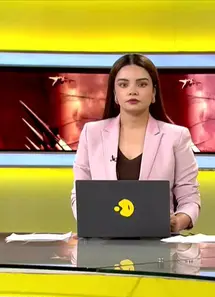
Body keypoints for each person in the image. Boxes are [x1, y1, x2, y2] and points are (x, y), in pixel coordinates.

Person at [70, 54, 201, 232]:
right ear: (115, 94)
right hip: (102, 241)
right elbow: (79, 196)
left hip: (158, 242)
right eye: (124, 85)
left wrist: (177, 222)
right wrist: (94, 221)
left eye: (142, 84)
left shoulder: (176, 136)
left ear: (153, 93)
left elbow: (190, 199)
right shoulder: (91, 133)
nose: (133, 91)